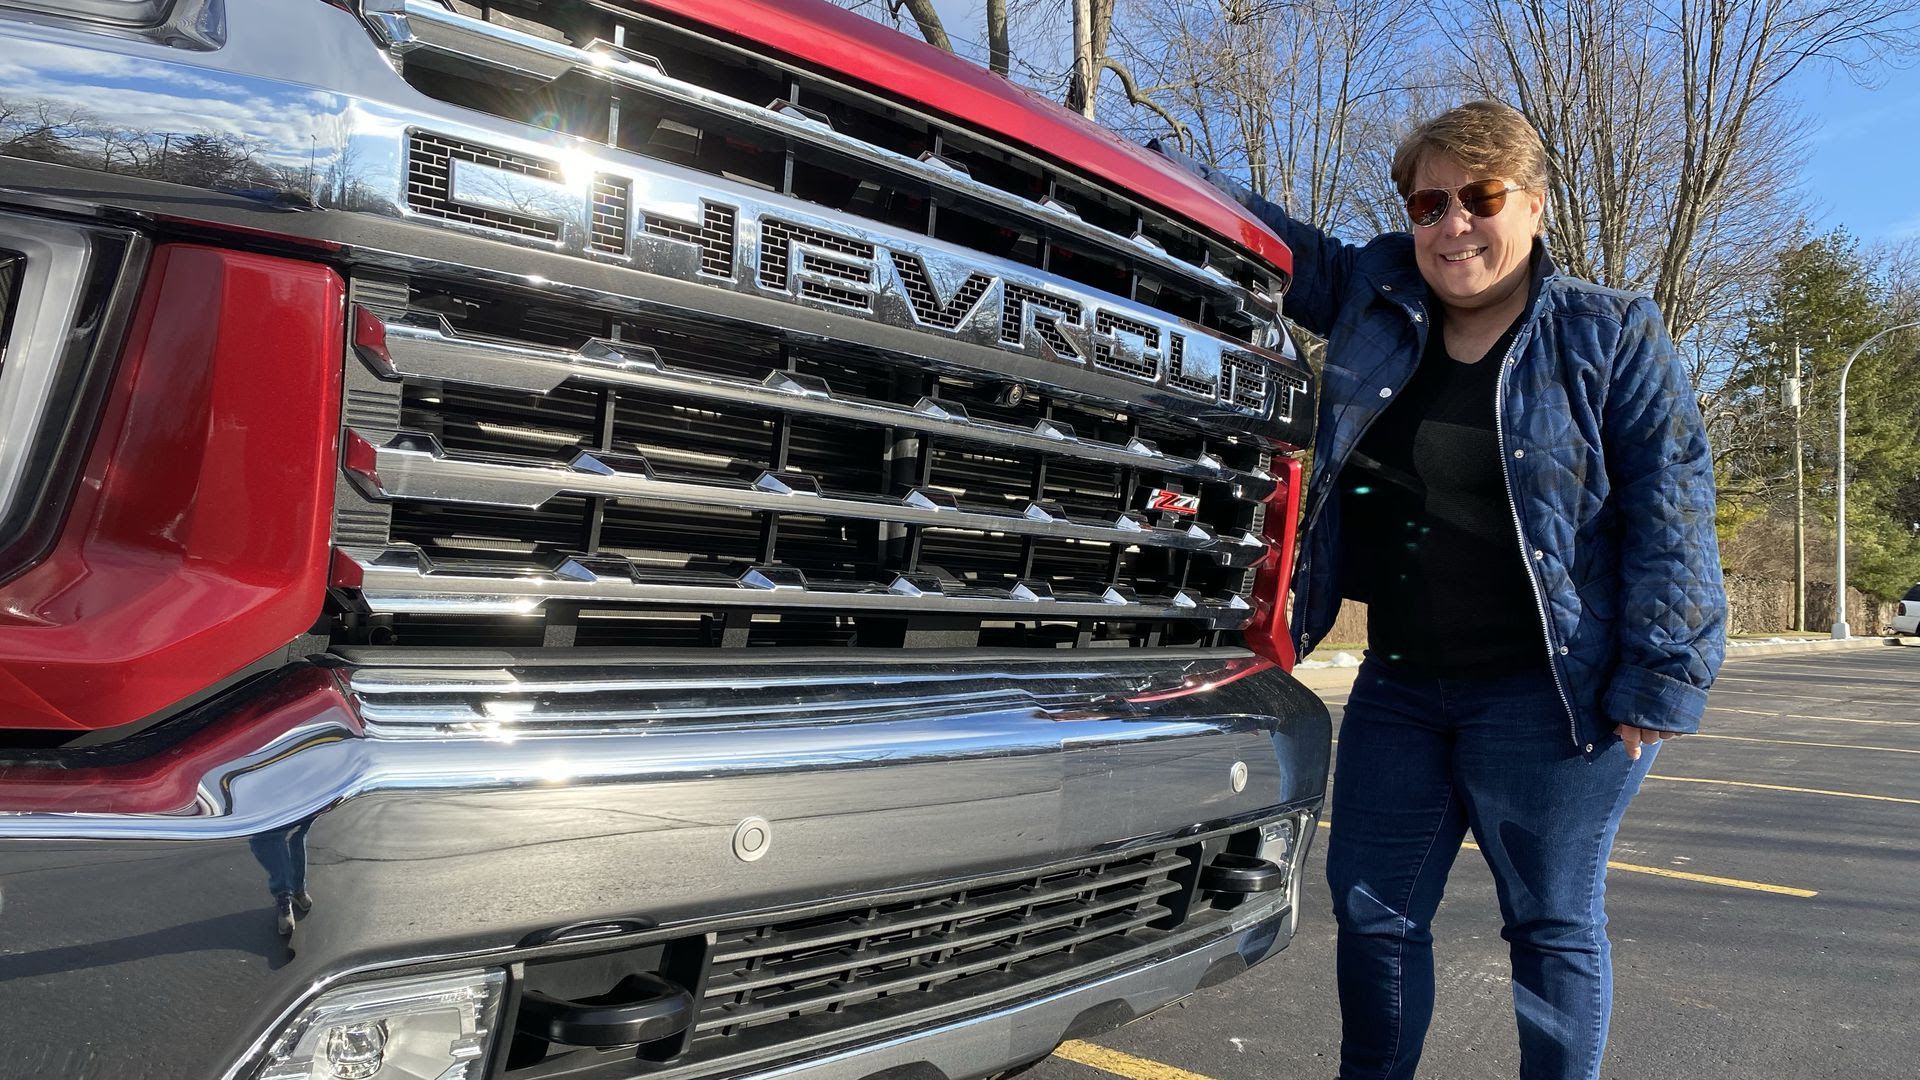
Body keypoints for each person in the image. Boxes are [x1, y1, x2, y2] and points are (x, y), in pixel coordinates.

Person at [1162, 101, 1727, 1078]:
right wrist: (1150, 160)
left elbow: (1671, 502)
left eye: (1482, 197)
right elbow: (1262, 234)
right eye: (1429, 205)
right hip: (1401, 688)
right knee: (1373, 914)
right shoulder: (1373, 297)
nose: (1453, 224)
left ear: (1535, 205)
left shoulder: (1609, 333)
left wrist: (1664, 674)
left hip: (1554, 696)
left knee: (1552, 924)